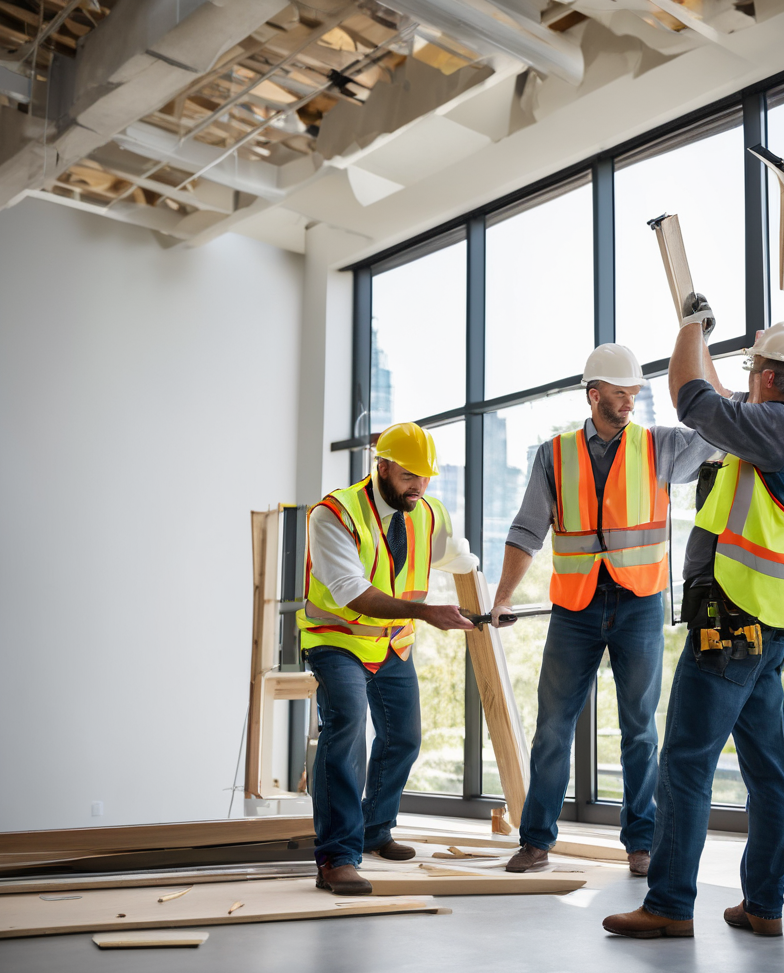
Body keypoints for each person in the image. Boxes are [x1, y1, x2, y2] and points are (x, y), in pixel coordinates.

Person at [602, 307, 784, 938]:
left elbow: (692, 397)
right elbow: (720, 401)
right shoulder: (782, 433)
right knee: (767, 774)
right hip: (763, 626)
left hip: (731, 624)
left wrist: (689, 327)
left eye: (753, 369)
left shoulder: (777, 432)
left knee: (685, 763)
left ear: (765, 376)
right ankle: (764, 906)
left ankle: (669, 904)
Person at [492, 342, 718, 877]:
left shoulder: (660, 446)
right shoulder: (554, 455)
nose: (630, 401)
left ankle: (642, 844)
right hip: (575, 607)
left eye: (635, 392)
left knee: (640, 729)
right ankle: (536, 841)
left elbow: (715, 426)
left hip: (639, 602)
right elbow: (527, 530)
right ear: (595, 395)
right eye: (621, 393)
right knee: (553, 726)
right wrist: (501, 597)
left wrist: (700, 343)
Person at [297, 422, 477, 896]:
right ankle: (336, 856)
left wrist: (480, 576)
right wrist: (427, 613)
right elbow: (351, 592)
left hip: (392, 643)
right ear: (382, 466)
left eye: (425, 476)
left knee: (404, 738)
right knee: (348, 728)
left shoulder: (426, 511)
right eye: (408, 475)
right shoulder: (334, 514)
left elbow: (452, 552)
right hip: (338, 639)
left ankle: (376, 829)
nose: (418, 485)